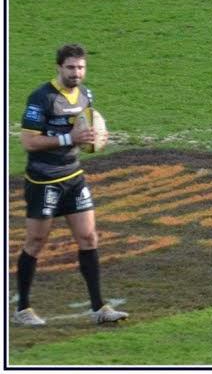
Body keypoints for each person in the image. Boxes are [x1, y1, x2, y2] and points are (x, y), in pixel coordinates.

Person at [14, 44, 129, 326]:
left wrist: (98, 137)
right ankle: (22, 309)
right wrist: (70, 139)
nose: (76, 73)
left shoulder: (86, 95)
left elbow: (85, 129)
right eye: (70, 67)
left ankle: (99, 308)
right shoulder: (42, 98)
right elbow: (29, 142)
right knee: (36, 242)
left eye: (80, 67)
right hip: (44, 181)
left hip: (73, 177)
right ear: (59, 68)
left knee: (89, 238)